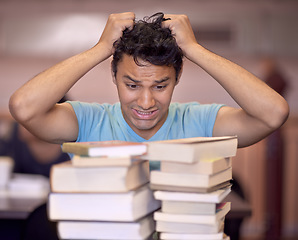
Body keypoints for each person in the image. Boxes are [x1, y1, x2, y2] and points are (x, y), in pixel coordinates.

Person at [9, 12, 289, 169]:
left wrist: (194, 49)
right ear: (114, 76)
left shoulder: (199, 121)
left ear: (177, 77)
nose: (146, 101)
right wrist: (100, 49)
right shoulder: (89, 121)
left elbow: (273, 114)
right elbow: (24, 107)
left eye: (160, 86)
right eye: (132, 85)